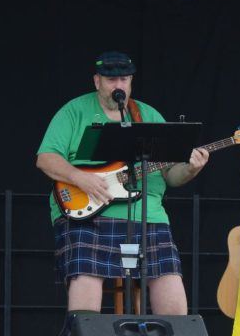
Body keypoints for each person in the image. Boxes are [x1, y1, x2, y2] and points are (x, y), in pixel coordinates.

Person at [36, 51, 209, 318]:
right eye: (111, 80)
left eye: (125, 80)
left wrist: (191, 168)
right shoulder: (74, 111)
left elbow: (171, 176)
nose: (119, 86)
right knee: (87, 273)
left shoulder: (148, 115)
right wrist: (80, 178)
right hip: (88, 213)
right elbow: (46, 159)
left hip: (147, 215)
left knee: (169, 275)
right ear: (97, 81)